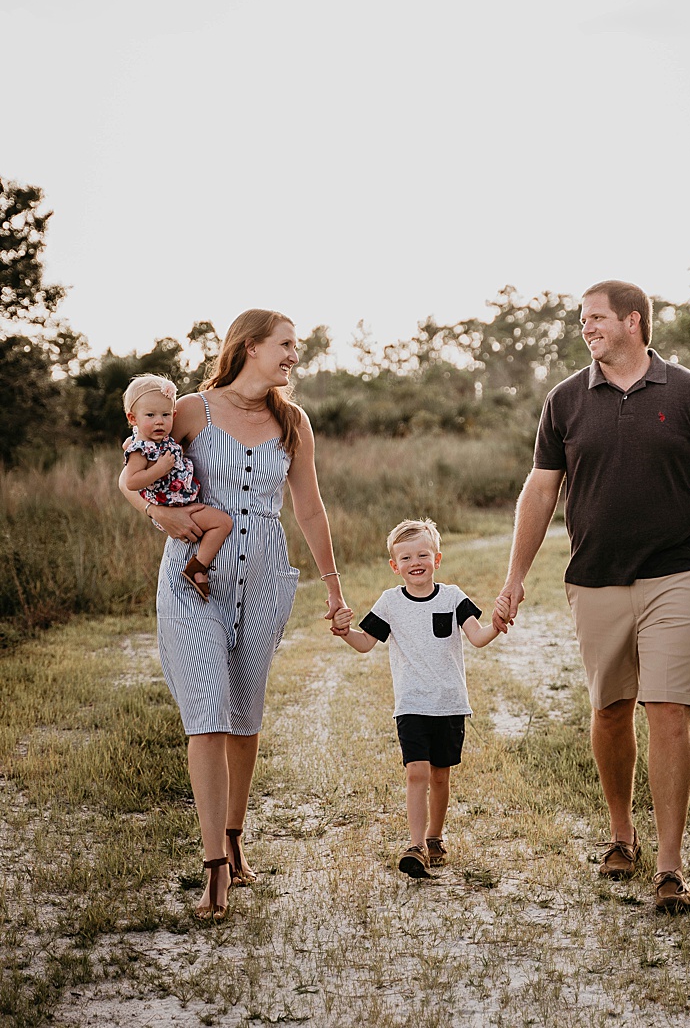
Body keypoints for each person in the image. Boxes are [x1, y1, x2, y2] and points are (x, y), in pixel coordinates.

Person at [493, 279, 690, 914]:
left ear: (634, 322)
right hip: (595, 575)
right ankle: (620, 833)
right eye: (583, 320)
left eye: (597, 318)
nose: (587, 328)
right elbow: (540, 491)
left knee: (669, 709)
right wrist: (514, 577)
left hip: (675, 572)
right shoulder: (565, 401)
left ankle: (670, 863)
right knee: (611, 708)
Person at [118, 309, 348, 921]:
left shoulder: (292, 421)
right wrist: (154, 512)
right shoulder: (190, 409)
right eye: (286, 345)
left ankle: (236, 837)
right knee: (209, 716)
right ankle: (214, 865)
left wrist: (332, 585)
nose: (294, 355)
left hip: (266, 576)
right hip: (195, 573)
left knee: (244, 717)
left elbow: (310, 507)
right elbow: (137, 472)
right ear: (249, 347)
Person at [331, 518, 502, 878]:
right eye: (406, 557)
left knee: (441, 776)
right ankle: (415, 846)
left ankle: (435, 837)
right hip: (411, 704)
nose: (415, 562)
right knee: (417, 773)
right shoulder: (390, 603)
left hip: (450, 703)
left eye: (422, 554)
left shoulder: (454, 597)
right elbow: (365, 644)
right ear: (395, 566)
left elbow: (478, 637)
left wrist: (498, 624)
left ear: (436, 558)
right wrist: (344, 631)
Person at [121, 374, 233, 600]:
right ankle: (197, 567)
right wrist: (159, 469)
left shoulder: (162, 442)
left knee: (218, 523)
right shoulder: (140, 450)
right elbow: (131, 481)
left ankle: (199, 565)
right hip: (174, 510)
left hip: (185, 502)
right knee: (223, 523)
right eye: (150, 415)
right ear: (133, 418)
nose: (159, 421)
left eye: (165, 414)